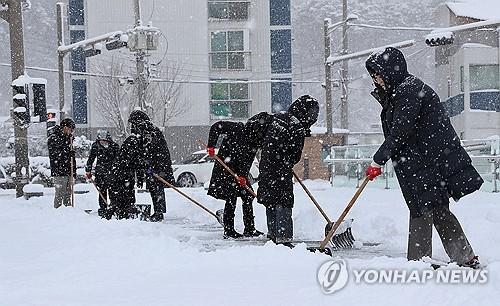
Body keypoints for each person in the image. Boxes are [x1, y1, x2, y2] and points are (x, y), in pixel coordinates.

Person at [364, 47, 483, 268]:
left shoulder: (408, 90)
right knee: (422, 206)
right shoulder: (400, 91)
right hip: (417, 160)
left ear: (389, 70)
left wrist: (378, 159)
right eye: (373, 76)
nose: (375, 79)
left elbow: (400, 131)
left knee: (433, 206)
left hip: (426, 160)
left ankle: (458, 257)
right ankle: (421, 259)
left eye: (377, 74)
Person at [257, 95, 319, 245]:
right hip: (281, 170)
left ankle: (273, 235)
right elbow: (295, 154)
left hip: (266, 167)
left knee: (270, 200)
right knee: (284, 201)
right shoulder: (296, 127)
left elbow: (262, 135)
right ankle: (284, 237)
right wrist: (286, 162)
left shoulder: (278, 118)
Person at [206, 116, 269, 238]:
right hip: (225, 169)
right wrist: (211, 146)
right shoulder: (237, 128)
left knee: (248, 196)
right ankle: (229, 231)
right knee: (231, 197)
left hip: (238, 172)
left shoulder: (254, 141)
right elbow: (216, 127)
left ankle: (249, 228)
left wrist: (243, 176)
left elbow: (248, 160)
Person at [128, 110, 175, 222]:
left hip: (158, 166)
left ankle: (159, 212)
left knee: (156, 188)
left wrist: (151, 165)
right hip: (153, 166)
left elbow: (149, 150)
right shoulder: (144, 131)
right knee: (153, 188)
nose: (132, 126)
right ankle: (158, 211)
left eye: (133, 123)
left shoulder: (149, 131)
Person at [85, 130, 120, 218]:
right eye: (101, 141)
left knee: (113, 192)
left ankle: (113, 208)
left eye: (105, 141)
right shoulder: (96, 146)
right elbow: (91, 159)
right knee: (102, 191)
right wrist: (88, 170)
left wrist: (116, 170)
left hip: (112, 172)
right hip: (100, 173)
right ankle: (103, 209)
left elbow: (118, 160)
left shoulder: (114, 147)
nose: (103, 142)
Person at [107, 133, 142, 219]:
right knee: (125, 194)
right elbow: (137, 165)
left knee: (123, 194)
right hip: (122, 176)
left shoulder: (123, 150)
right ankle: (124, 211)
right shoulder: (132, 150)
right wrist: (139, 177)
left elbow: (137, 165)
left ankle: (121, 211)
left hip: (120, 176)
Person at [48, 118, 76, 209]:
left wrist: (74, 172)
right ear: (64, 127)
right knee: (60, 193)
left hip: (69, 170)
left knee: (68, 193)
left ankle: (68, 211)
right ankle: (58, 212)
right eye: (70, 129)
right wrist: (68, 152)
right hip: (59, 171)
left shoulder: (69, 138)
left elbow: (72, 158)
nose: (71, 131)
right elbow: (55, 155)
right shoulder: (54, 138)